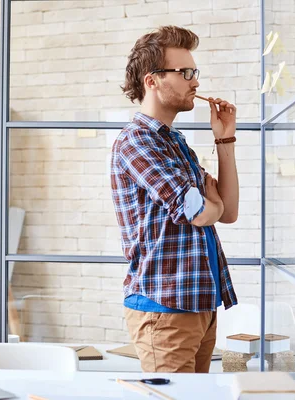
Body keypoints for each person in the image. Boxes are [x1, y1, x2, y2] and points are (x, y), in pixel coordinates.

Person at [110, 25, 240, 373]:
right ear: (152, 81)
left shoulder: (175, 143)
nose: (195, 81)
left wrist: (225, 140)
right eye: (185, 73)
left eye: (193, 72)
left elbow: (228, 212)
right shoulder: (137, 141)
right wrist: (210, 206)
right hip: (164, 308)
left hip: (199, 305)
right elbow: (197, 211)